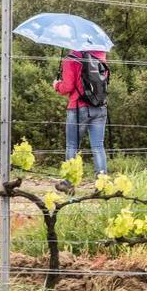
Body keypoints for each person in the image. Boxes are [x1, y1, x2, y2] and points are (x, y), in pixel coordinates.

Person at [53, 50, 109, 189]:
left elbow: (68, 87)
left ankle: (68, 182)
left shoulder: (71, 59)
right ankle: (102, 184)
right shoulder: (101, 56)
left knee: (72, 145)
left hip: (78, 107)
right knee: (98, 146)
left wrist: (57, 85)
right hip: (100, 107)